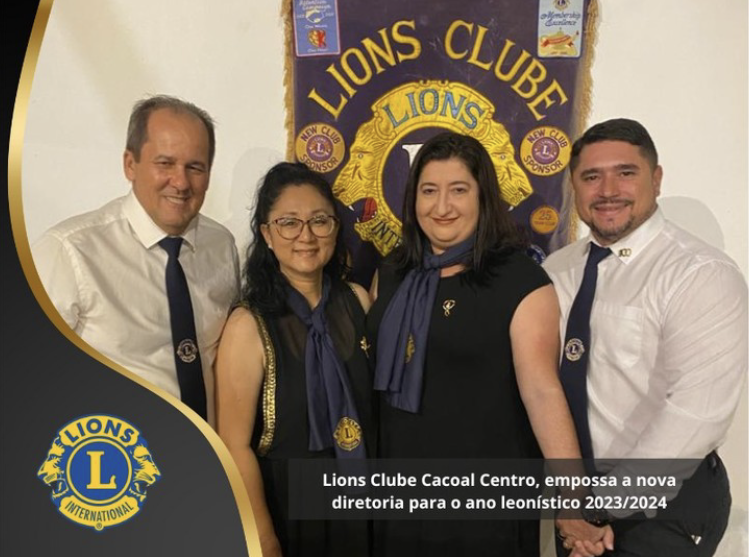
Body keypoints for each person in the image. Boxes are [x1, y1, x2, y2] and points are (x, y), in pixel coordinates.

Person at [367, 131, 602, 557]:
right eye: (429, 191)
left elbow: (543, 392)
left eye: (459, 190)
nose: (442, 207)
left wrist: (573, 497)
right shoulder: (392, 273)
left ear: (483, 198)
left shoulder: (520, 280)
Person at [543, 118, 748, 556]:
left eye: (625, 173)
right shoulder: (556, 271)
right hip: (578, 503)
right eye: (591, 177)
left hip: (664, 504)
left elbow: (697, 413)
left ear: (656, 179)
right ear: (573, 187)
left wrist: (600, 508)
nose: (607, 190)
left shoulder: (700, 274)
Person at [32, 95, 239, 424]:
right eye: (165, 163)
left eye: (195, 167)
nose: (181, 182)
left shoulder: (221, 247)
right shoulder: (68, 251)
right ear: (130, 164)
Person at [214, 162, 374, 557]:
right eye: (288, 223)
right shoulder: (248, 324)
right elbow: (234, 445)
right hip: (287, 510)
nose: (306, 235)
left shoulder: (357, 301)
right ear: (267, 234)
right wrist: (263, 537)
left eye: (319, 220)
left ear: (335, 227)